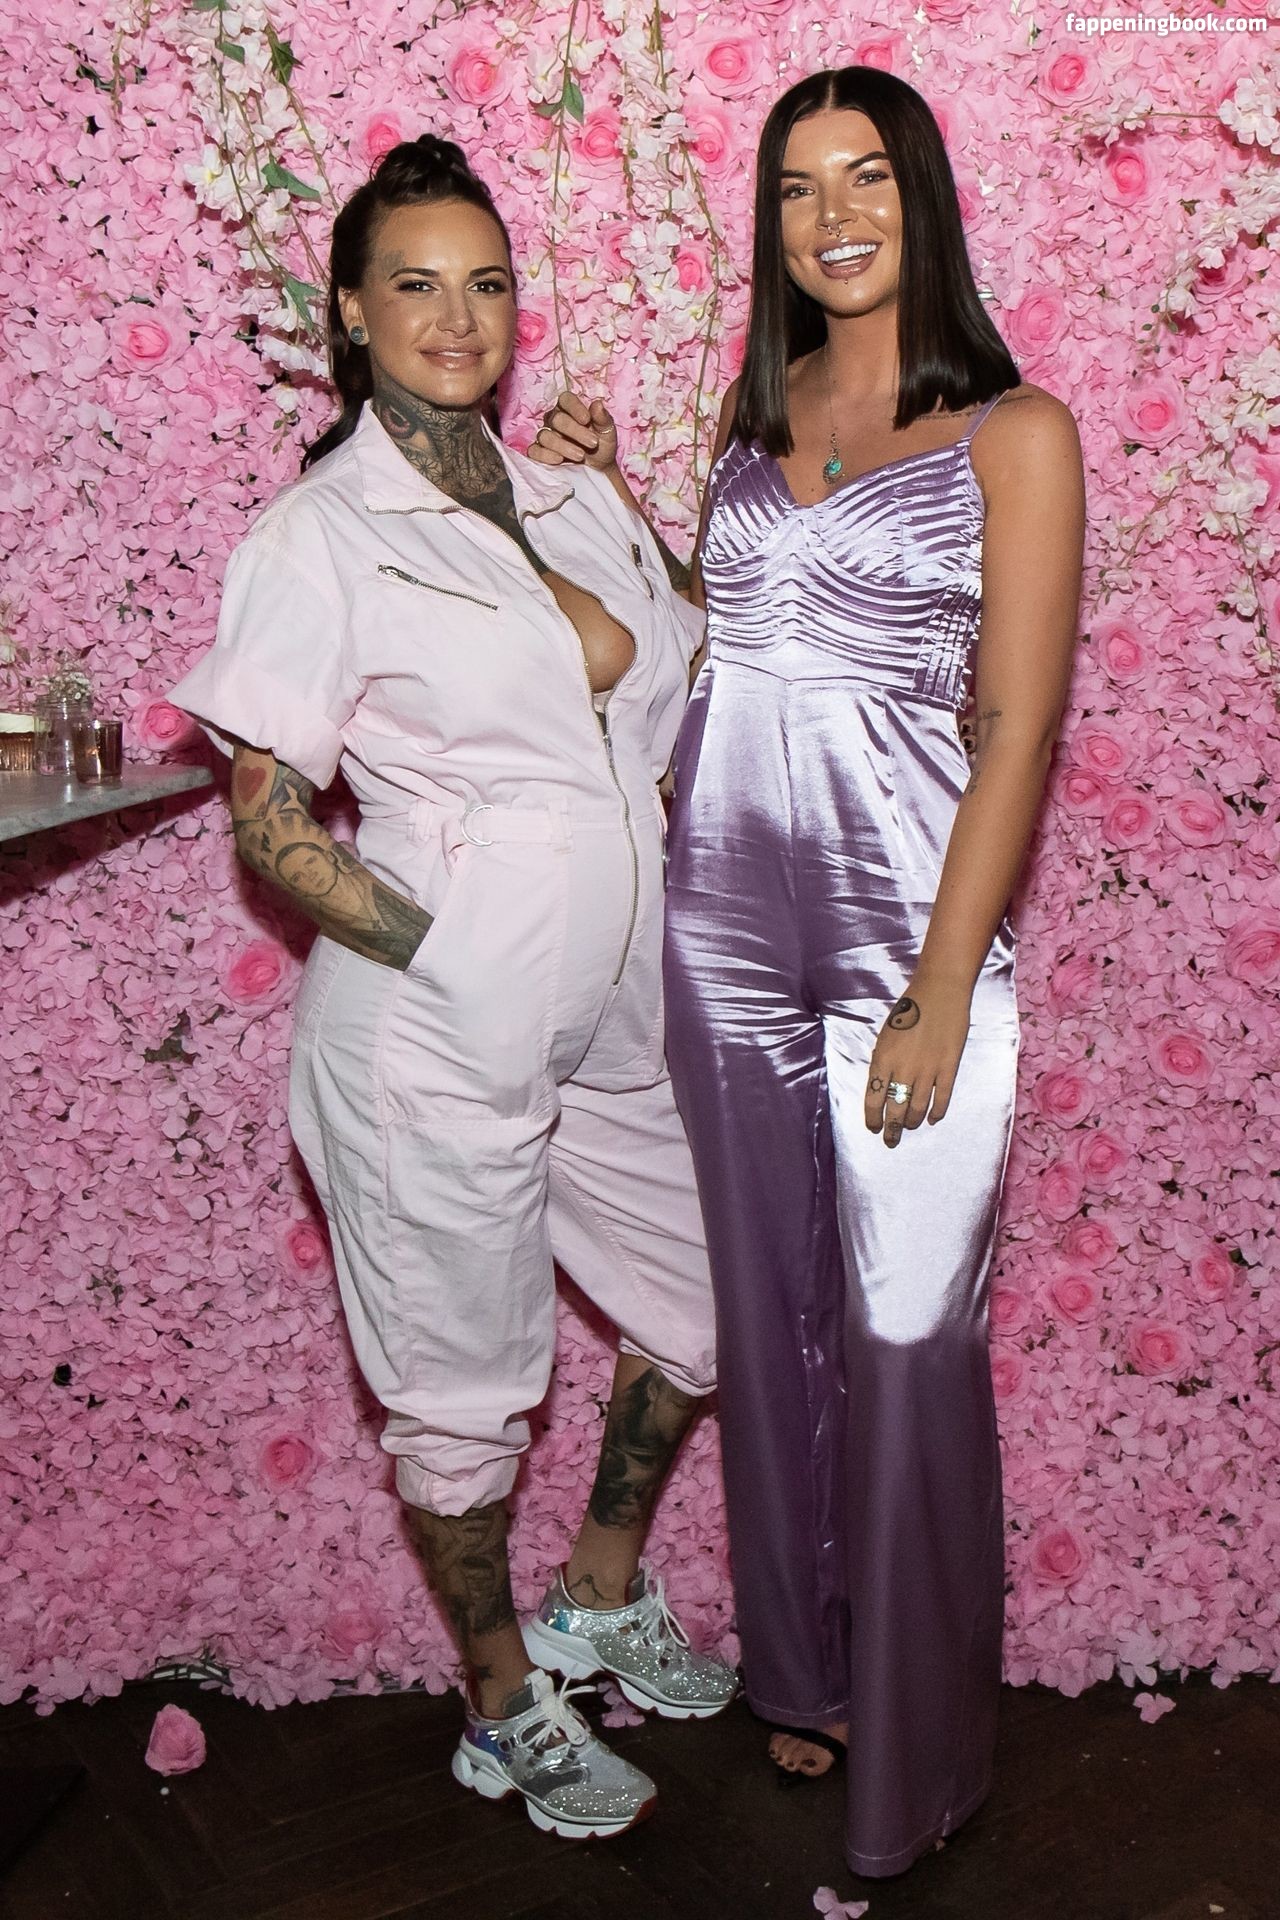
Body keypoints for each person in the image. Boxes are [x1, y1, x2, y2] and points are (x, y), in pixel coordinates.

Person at [531, 66, 1084, 1878]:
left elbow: (1016, 730)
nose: (830, 215)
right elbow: (734, 649)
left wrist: (943, 986)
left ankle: (919, 1757)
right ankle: (812, 1670)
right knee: (770, 1328)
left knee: (908, 1333)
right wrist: (610, 507)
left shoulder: (1015, 433)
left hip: (907, 940)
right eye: (794, 186)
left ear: (923, 197)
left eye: (865, 177)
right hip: (727, 936)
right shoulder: (750, 427)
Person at [169, 134, 736, 1845]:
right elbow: (269, 815)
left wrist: (627, 502)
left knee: (704, 1308)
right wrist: (449, 949)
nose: (457, 315)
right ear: (351, 311)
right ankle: (501, 1703)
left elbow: (689, 648)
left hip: (612, 1017)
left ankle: (597, 1594)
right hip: (431, 1038)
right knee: (465, 1393)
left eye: (485, 282)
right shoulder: (323, 533)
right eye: (414, 284)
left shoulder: (561, 494)